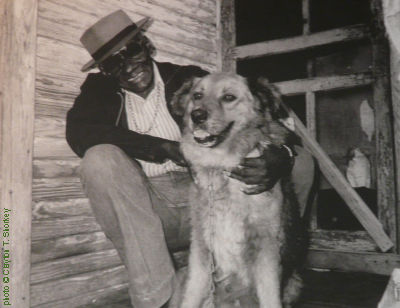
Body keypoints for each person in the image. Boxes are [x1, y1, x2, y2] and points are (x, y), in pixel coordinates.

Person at [66, 10, 313, 308]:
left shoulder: (187, 79)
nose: (128, 66)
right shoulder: (98, 92)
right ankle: (160, 300)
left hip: (212, 191)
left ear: (146, 45)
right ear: (104, 70)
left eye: (131, 51)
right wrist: (162, 148)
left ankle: (272, 276)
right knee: (98, 160)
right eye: (112, 62)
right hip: (151, 206)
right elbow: (79, 133)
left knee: (302, 162)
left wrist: (281, 155)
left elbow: (272, 125)